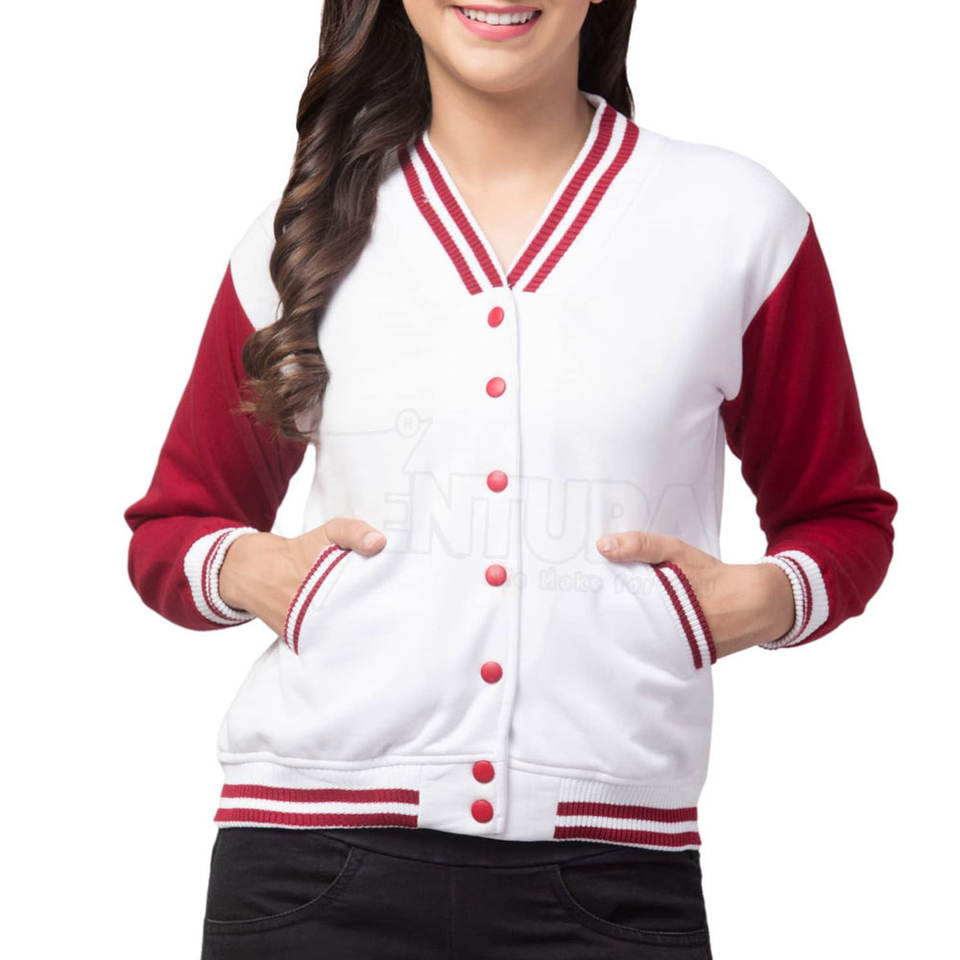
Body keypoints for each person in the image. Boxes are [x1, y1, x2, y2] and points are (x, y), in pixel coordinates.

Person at [122, 1, 898, 957]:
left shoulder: (738, 223)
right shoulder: (305, 237)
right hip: (308, 867)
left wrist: (764, 599)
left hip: (615, 877)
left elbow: (844, 516)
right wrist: (253, 570)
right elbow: (173, 528)